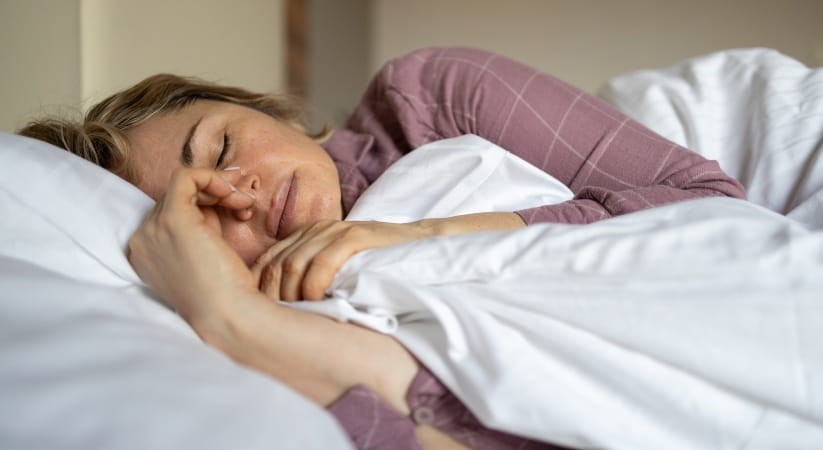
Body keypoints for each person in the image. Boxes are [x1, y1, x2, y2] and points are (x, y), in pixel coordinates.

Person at [18, 47, 746, 449]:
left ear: (264, 109)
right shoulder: (283, 316)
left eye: (223, 147)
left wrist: (421, 237)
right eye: (207, 211)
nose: (241, 192)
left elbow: (708, 204)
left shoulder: (429, 99)